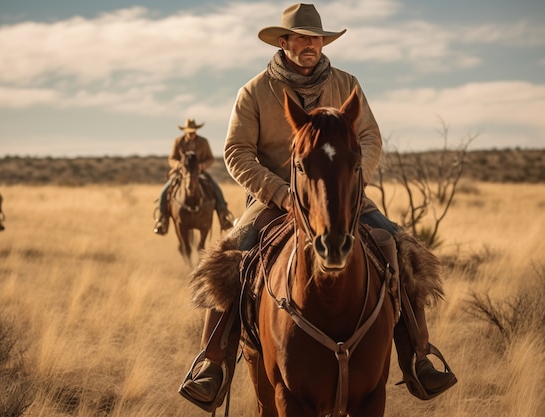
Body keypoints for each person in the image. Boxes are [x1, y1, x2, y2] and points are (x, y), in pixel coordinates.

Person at [179, 3, 456, 410]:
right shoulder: (255, 91)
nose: (310, 45)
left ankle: (418, 356)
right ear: (284, 42)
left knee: (398, 245)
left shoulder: (348, 85)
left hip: (343, 193)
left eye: (317, 38)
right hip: (277, 198)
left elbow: (370, 139)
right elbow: (237, 152)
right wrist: (281, 192)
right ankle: (213, 364)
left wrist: (352, 178)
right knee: (233, 256)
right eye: (302, 38)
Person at [153, 118, 235, 235]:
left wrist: (201, 166)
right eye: (189, 131)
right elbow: (172, 159)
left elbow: (210, 159)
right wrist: (179, 165)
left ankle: (223, 216)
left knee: (216, 188)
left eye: (193, 131)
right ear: (185, 131)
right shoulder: (178, 142)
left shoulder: (203, 142)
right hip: (181, 173)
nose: (192, 134)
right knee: (164, 192)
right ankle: (162, 220)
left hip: (199, 173)